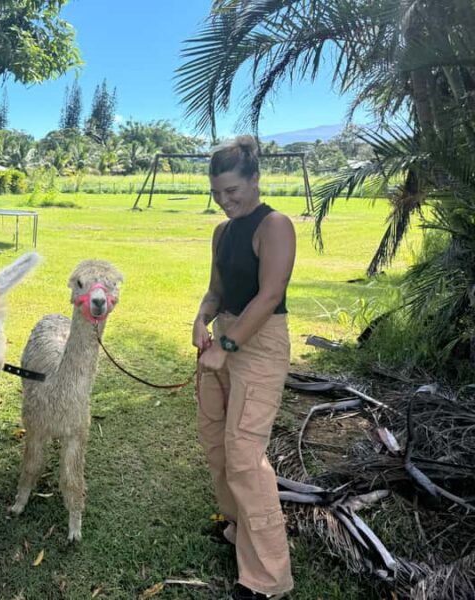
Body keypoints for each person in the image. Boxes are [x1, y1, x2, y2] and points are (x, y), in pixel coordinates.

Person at [192, 135, 296, 600]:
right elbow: (216, 290)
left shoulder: (274, 225)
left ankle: (267, 580)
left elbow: (270, 294)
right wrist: (202, 319)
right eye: (217, 193)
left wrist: (227, 345)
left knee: (245, 457)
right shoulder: (222, 232)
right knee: (216, 442)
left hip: (260, 341)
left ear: (255, 180)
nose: (225, 200)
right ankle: (239, 530)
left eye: (232, 191)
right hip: (227, 339)